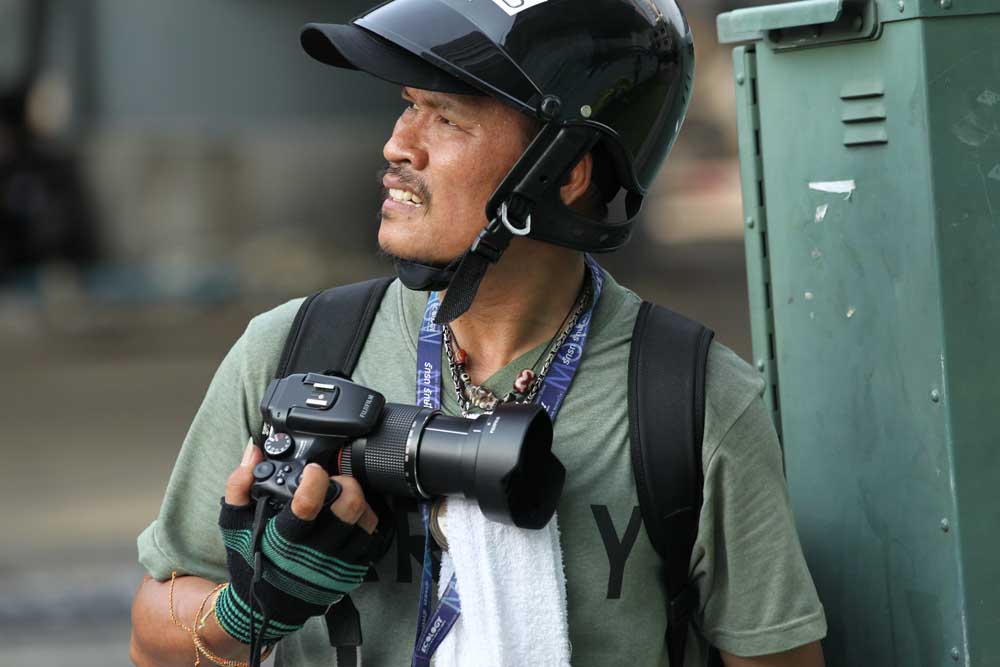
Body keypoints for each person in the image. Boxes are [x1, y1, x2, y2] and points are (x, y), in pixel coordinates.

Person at [130, 0, 828, 665]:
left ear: (567, 171)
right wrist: (249, 610)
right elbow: (150, 638)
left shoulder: (694, 401)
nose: (398, 144)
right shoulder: (293, 353)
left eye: (446, 118)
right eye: (408, 105)